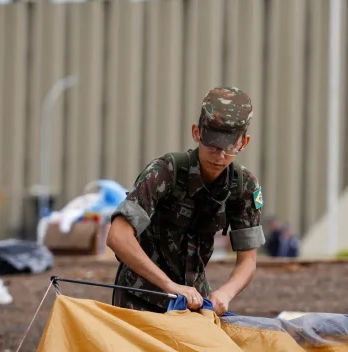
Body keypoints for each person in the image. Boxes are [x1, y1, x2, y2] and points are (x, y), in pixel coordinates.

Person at [106, 86, 266, 314]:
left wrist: (225, 293)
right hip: (140, 300)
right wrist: (170, 286)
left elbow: (248, 261)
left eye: (229, 148)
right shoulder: (165, 172)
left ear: (244, 142)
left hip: (193, 304)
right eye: (212, 145)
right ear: (196, 132)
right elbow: (118, 237)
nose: (220, 156)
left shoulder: (244, 186)